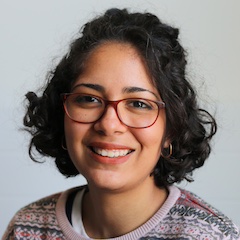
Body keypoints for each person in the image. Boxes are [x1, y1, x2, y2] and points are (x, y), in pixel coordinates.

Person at [2, 8, 240, 240]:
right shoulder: (26, 229)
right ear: (61, 115)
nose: (109, 124)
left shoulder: (211, 235)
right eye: (89, 99)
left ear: (171, 129)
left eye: (138, 104)